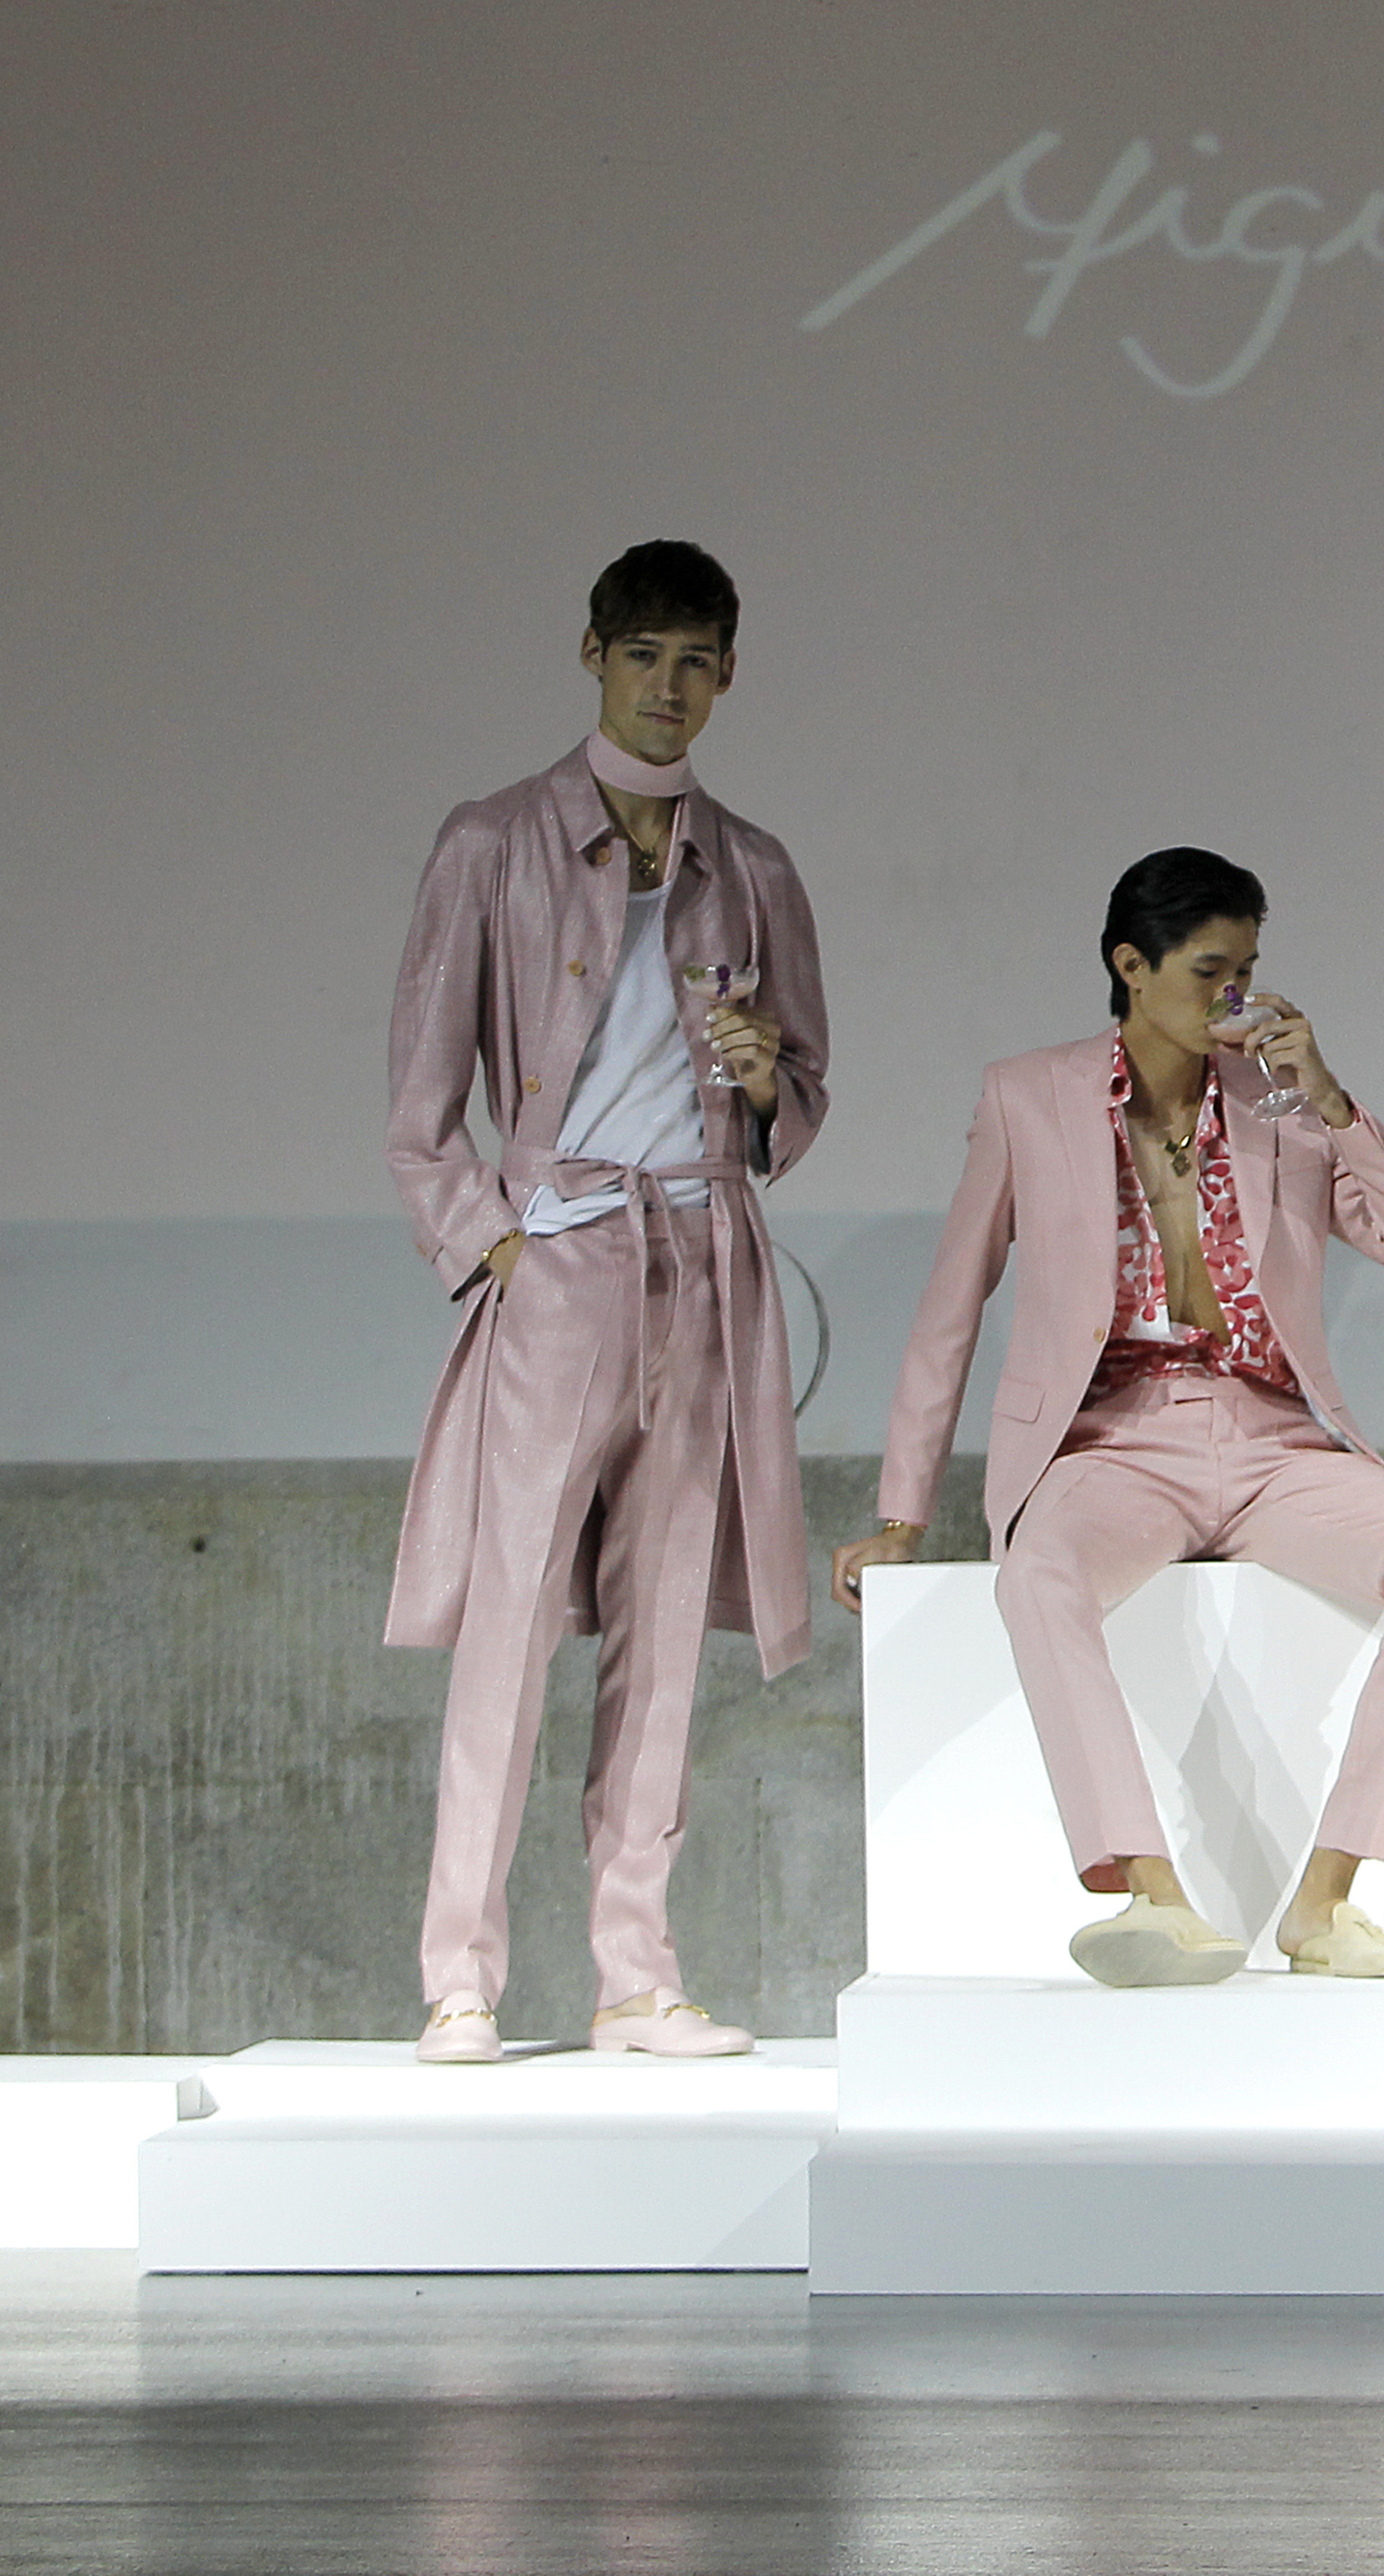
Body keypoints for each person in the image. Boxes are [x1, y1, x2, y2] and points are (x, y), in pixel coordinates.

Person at [832, 848, 1384, 1983]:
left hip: (1274, 1435)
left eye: (1248, 972)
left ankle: (1325, 1900)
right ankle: (1152, 1894)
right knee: (1036, 1575)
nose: (1235, 1000)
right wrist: (901, 1510)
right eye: (1209, 972)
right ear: (1129, 965)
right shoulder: (1026, 1095)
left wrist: (1331, 1099)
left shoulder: (1283, 1107)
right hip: (1115, 1439)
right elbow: (949, 1307)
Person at [386, 539, 827, 2063]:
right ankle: (462, 1970)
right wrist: (491, 1243)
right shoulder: (493, 840)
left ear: (728, 671)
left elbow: (806, 1088)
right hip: (562, 1257)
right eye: (645, 654)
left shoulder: (752, 866)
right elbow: (423, 1101)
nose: (669, 686)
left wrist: (769, 1091)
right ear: (593, 654)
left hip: (701, 1260)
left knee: (658, 1624)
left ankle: (636, 1970)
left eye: (697, 659)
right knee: (510, 1617)